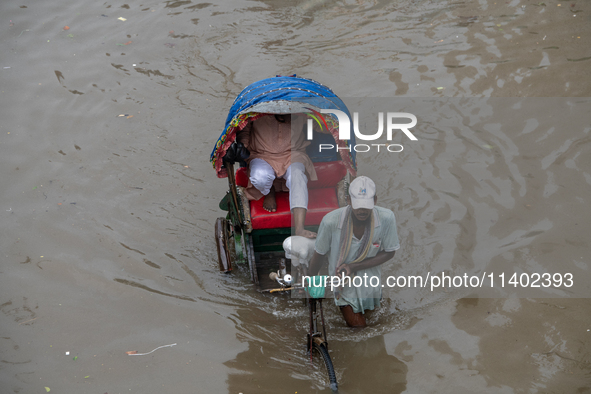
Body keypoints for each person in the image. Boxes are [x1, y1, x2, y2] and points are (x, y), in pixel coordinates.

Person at [308, 176, 400, 328]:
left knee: (375, 322)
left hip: (371, 283)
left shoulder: (386, 218)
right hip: (343, 284)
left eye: (366, 205)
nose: (362, 210)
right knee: (361, 331)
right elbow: (319, 254)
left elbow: (390, 252)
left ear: (375, 200)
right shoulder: (330, 221)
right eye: (358, 205)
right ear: (348, 200)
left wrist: (353, 267)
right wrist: (311, 281)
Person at [235, 113, 318, 238]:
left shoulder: (300, 109)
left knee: (297, 177)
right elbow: (244, 133)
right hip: (261, 154)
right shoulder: (255, 110)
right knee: (260, 177)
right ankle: (269, 191)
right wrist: (241, 148)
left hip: (293, 153)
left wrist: (337, 126)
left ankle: (300, 228)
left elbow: (319, 125)